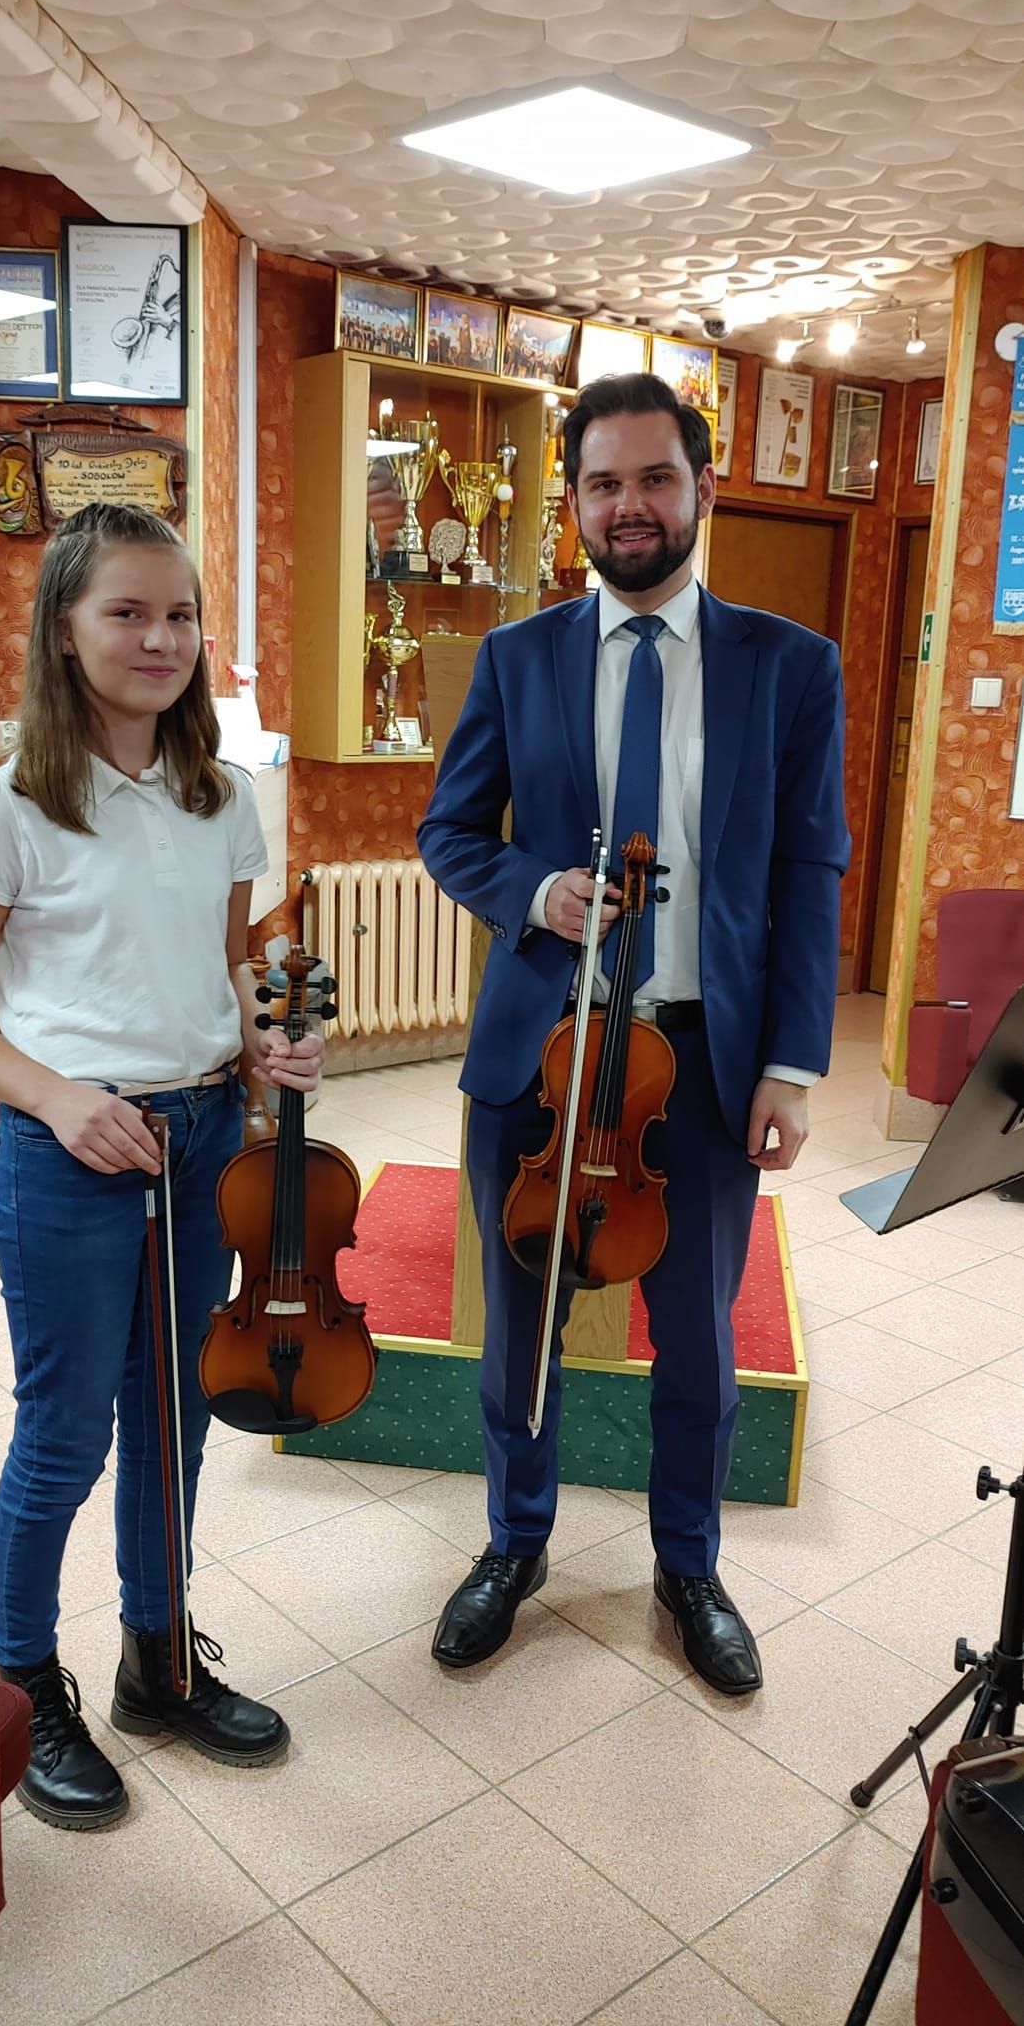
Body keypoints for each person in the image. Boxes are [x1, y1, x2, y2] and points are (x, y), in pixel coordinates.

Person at [418, 372, 849, 1693]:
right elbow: (449, 833)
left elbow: (809, 871)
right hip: (540, 1060)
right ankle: (513, 1546)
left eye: (655, 478)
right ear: (573, 502)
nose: (630, 506)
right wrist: (532, 890)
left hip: (704, 1063)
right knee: (520, 1335)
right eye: (603, 483)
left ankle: (689, 1568)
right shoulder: (517, 657)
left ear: (703, 489)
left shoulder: (791, 666)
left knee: (700, 1345)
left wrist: (790, 1064)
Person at [0, 502, 322, 1829]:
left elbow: (225, 966)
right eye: (127, 612)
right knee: (64, 1434)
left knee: (175, 1415)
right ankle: (25, 1691)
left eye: (180, 615)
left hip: (200, 1140)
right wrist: (58, 1098)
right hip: (70, 1148)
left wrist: (263, 1039)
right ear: (64, 630)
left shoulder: (220, 798)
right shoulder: (2, 807)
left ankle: (158, 1660)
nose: (160, 639)